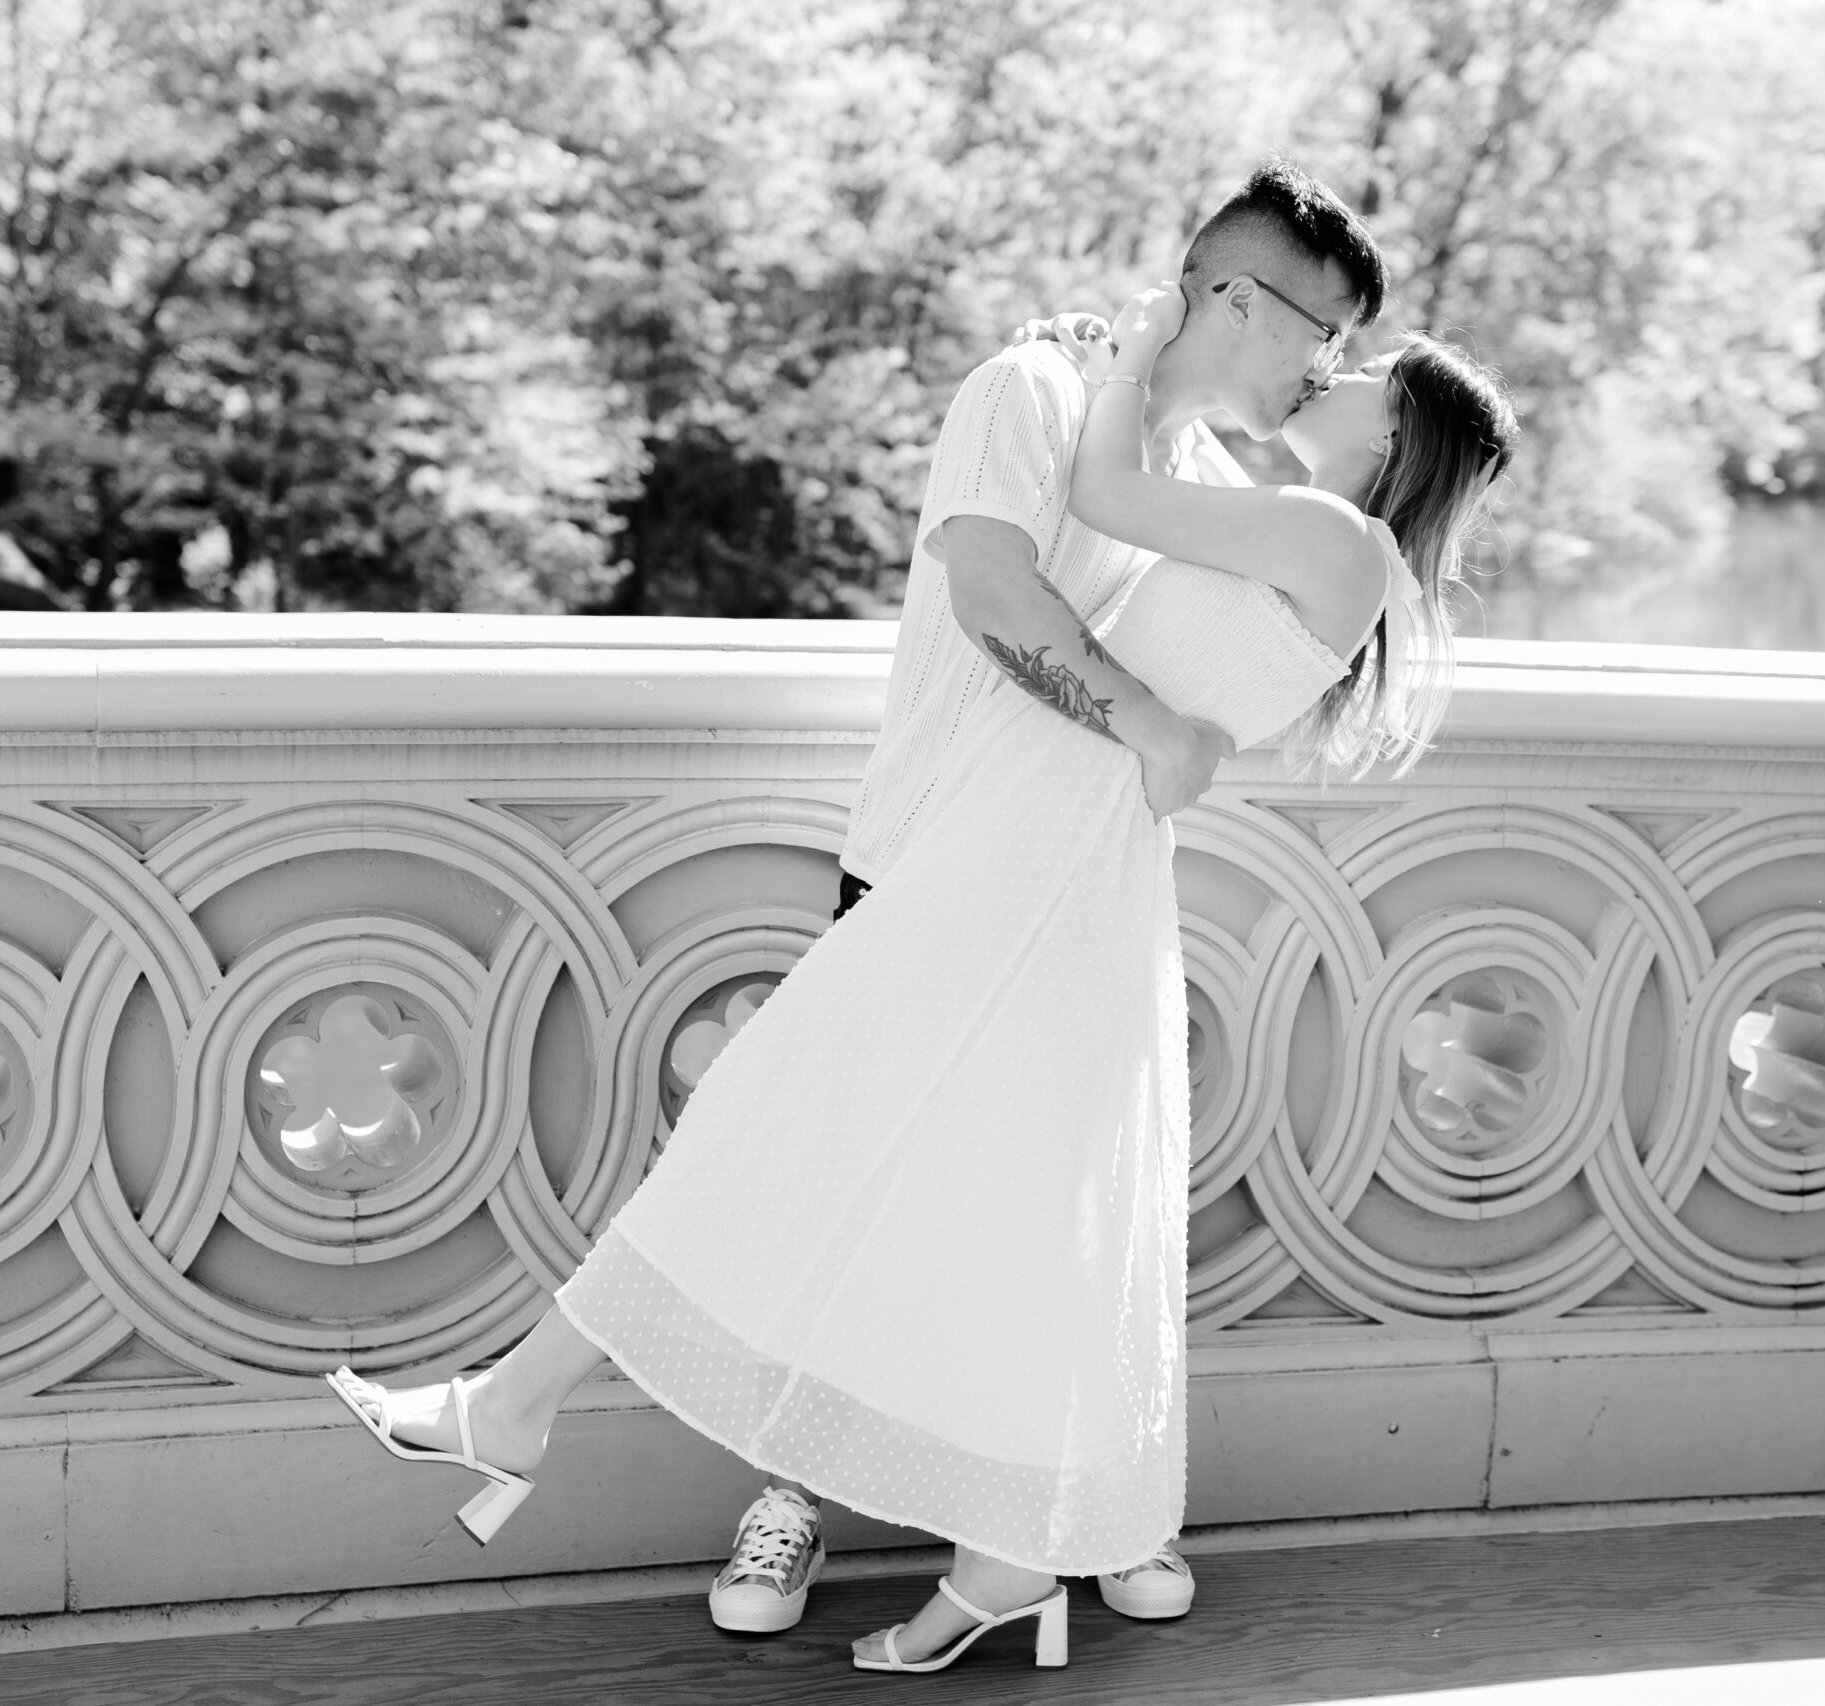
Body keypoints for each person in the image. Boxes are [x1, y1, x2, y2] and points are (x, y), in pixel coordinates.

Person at [325, 161, 1512, 1676]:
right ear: (1235, 297)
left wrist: (1158, 649)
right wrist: (1151, 700)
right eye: (1319, 332)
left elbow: (1200, 604)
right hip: (938, 849)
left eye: (1351, 359)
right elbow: (999, 592)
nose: (1323, 368)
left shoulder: (1235, 482)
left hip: (1038, 869)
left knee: (964, 1188)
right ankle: (855, 1499)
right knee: (814, 1147)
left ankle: (1026, 1526)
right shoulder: (1033, 385)